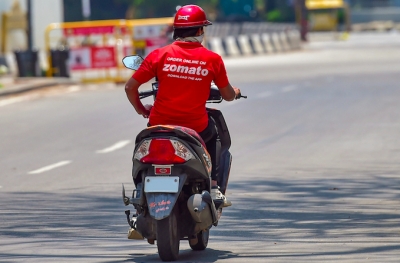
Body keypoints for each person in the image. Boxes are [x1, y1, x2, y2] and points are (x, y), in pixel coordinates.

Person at [125, 4, 241, 207]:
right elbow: (228, 95)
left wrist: (142, 110)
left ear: (176, 31)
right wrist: (236, 92)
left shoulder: (158, 55)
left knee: (142, 150)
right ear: (199, 31)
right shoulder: (212, 59)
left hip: (158, 126)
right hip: (196, 128)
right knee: (214, 135)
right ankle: (213, 187)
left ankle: (139, 194)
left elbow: (130, 87)